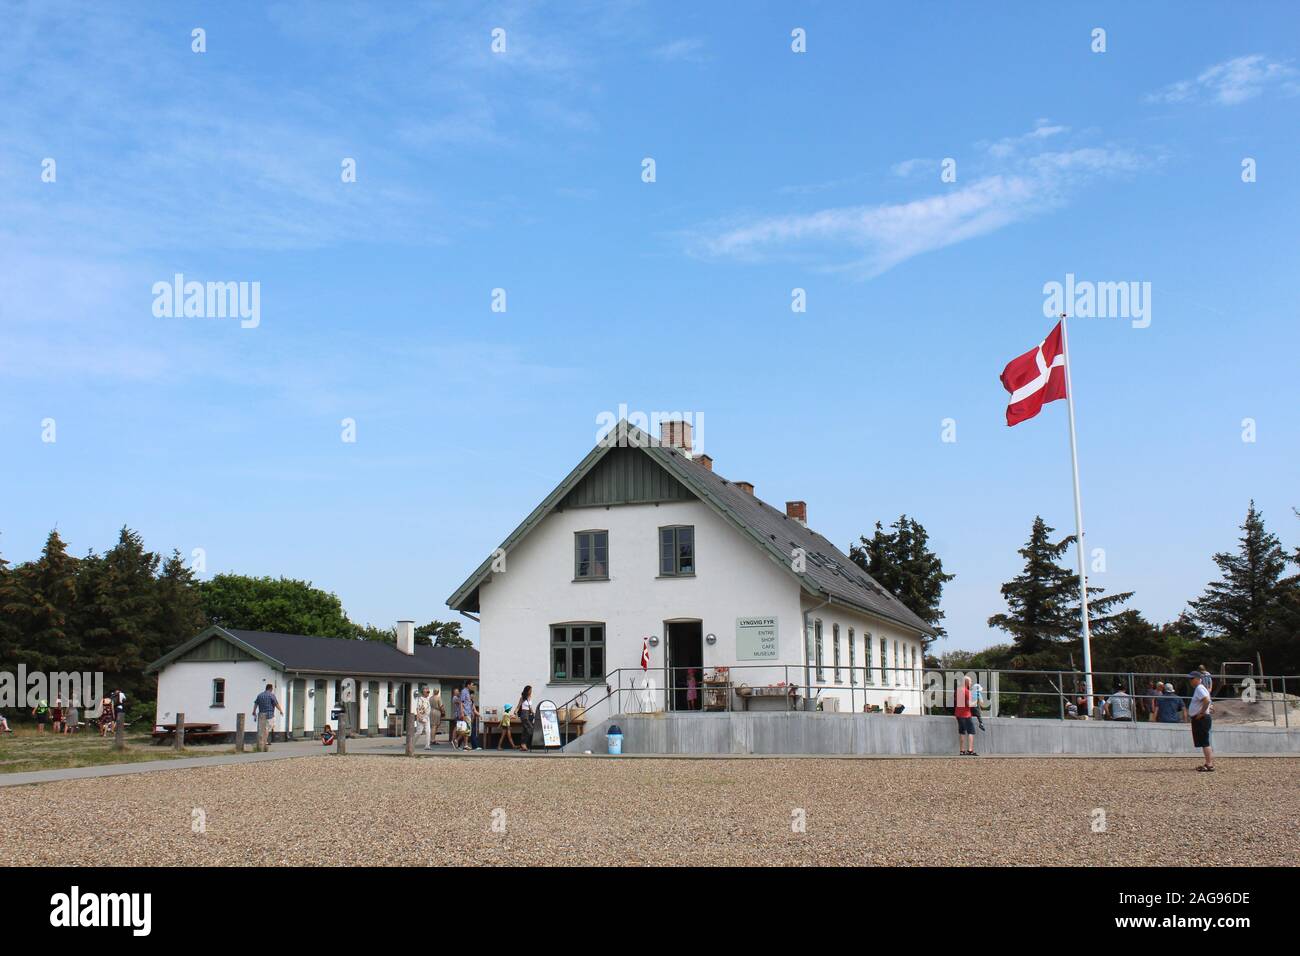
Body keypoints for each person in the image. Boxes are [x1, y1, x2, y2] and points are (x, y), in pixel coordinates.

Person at [1187, 671, 1214, 771]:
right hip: (1202, 717)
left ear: (1198, 679)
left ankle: (1209, 764)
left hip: (1201, 718)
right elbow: (1207, 701)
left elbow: (1206, 700)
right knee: (1204, 741)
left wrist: (1202, 713)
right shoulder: (1202, 688)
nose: (1190, 681)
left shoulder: (1199, 688)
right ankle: (1208, 763)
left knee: (1204, 742)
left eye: (1192, 679)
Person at [252, 683, 282, 749]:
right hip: (270, 714)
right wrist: (280, 710)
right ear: (271, 688)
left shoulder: (260, 695)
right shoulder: (271, 695)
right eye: (272, 689)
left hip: (261, 714)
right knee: (267, 728)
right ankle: (264, 741)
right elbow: (276, 704)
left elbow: (256, 703)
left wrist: (254, 711)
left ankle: (261, 741)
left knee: (262, 728)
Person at [954, 676, 977, 755]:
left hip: (958, 714)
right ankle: (970, 750)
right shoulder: (967, 691)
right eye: (970, 682)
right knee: (971, 731)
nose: (971, 683)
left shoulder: (958, 690)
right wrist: (975, 701)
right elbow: (969, 704)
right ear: (966, 682)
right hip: (966, 715)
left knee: (962, 732)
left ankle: (962, 751)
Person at [462, 682, 481, 751]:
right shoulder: (466, 699)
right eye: (472, 695)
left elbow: (475, 710)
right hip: (467, 716)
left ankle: (472, 746)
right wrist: (463, 714)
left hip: (471, 718)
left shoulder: (472, 701)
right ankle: (463, 744)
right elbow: (463, 705)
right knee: (466, 731)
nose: (473, 696)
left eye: (473, 695)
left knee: (470, 732)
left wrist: (480, 715)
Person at [515, 685, 535, 752]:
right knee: (530, 728)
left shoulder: (530, 697)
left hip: (529, 715)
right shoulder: (522, 698)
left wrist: (533, 712)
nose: (531, 692)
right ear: (527, 691)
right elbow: (518, 706)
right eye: (530, 690)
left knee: (525, 730)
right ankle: (523, 744)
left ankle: (523, 745)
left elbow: (530, 707)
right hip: (524, 715)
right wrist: (515, 712)